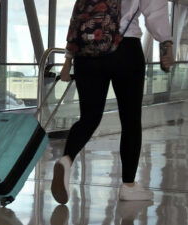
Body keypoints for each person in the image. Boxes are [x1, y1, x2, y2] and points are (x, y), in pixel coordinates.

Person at [51, 0, 174, 204]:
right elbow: (155, 9)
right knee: (130, 120)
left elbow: (78, 19)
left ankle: (66, 159)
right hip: (124, 48)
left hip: (86, 53)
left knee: (89, 117)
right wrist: (165, 42)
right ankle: (128, 186)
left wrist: (68, 60)